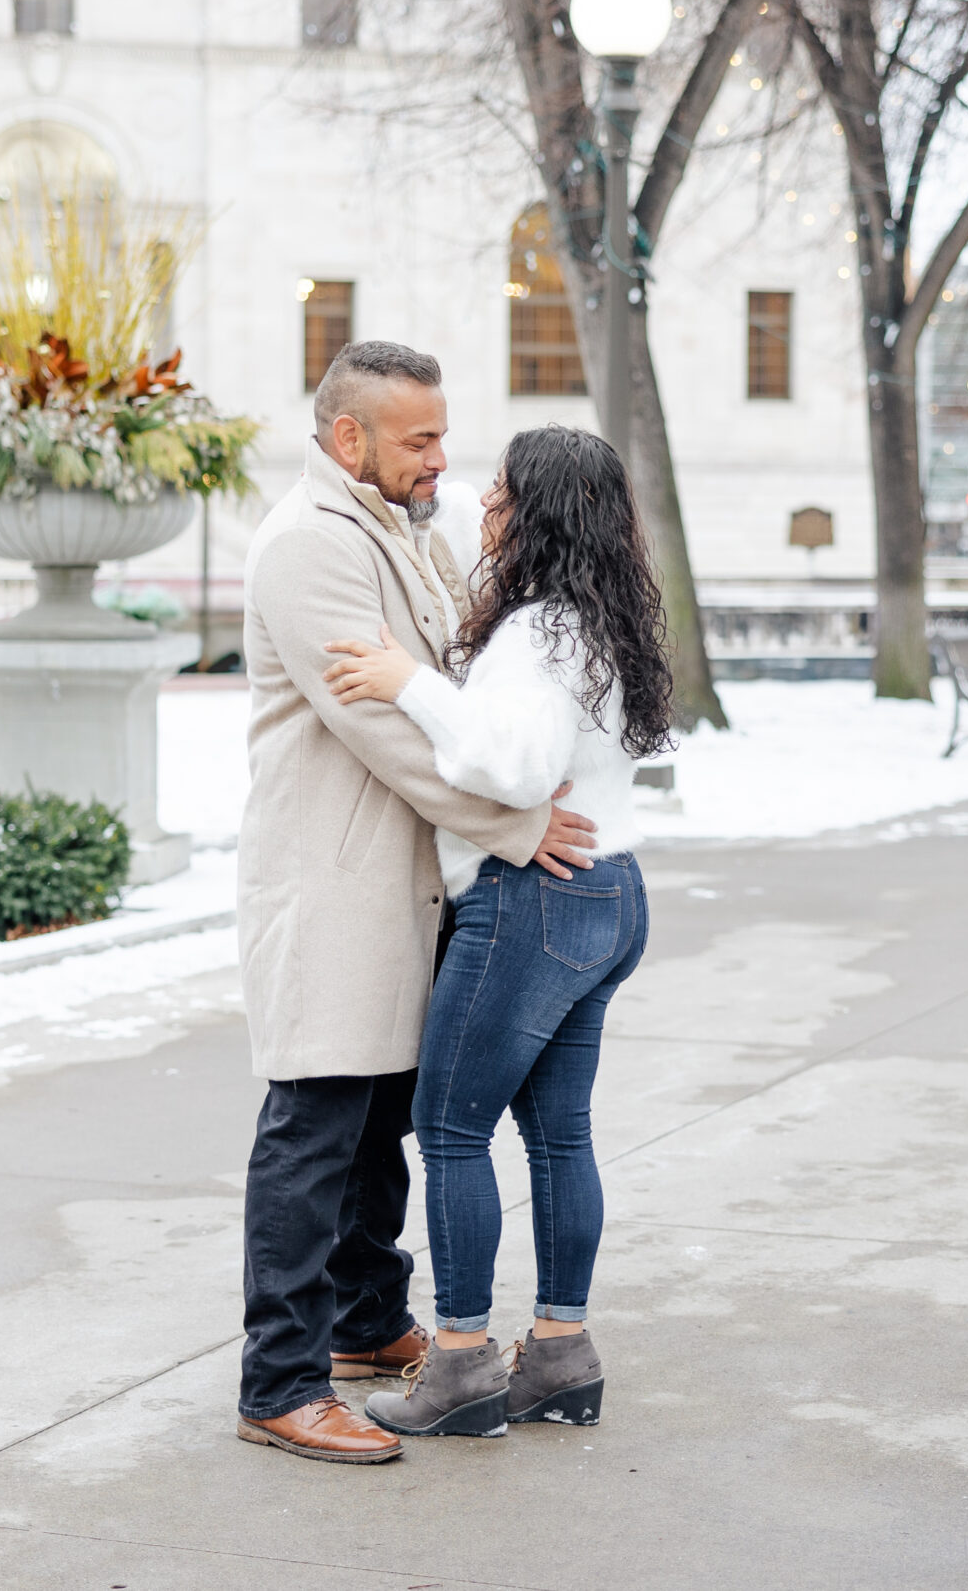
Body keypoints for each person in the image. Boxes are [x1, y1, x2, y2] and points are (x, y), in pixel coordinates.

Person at [235, 343, 600, 1467]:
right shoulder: (310, 549)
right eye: (419, 440)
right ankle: (278, 1383)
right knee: (313, 1129)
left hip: (412, 885)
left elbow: (454, 677)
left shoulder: (406, 530)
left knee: (379, 1126)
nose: (443, 458)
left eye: (444, 435)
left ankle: (363, 1324)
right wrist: (518, 828)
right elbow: (386, 727)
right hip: (336, 880)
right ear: (349, 440)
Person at [320, 423, 671, 1439]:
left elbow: (511, 771)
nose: (486, 502)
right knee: (559, 1135)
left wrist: (406, 682)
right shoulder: (597, 616)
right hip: (611, 892)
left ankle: (463, 1364)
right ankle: (560, 1354)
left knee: (450, 1129)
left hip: (537, 900)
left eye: (504, 491)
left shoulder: (533, 636)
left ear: (541, 514)